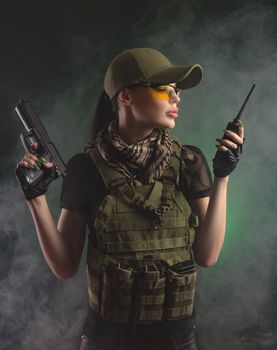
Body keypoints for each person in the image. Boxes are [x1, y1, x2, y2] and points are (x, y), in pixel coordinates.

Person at [16, 48, 244, 350]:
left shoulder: (189, 162)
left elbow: (207, 256)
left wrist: (222, 176)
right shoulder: (86, 168)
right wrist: (36, 198)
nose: (176, 98)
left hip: (177, 339)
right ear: (125, 97)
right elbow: (64, 266)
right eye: (165, 90)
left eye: (177, 91)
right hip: (108, 339)